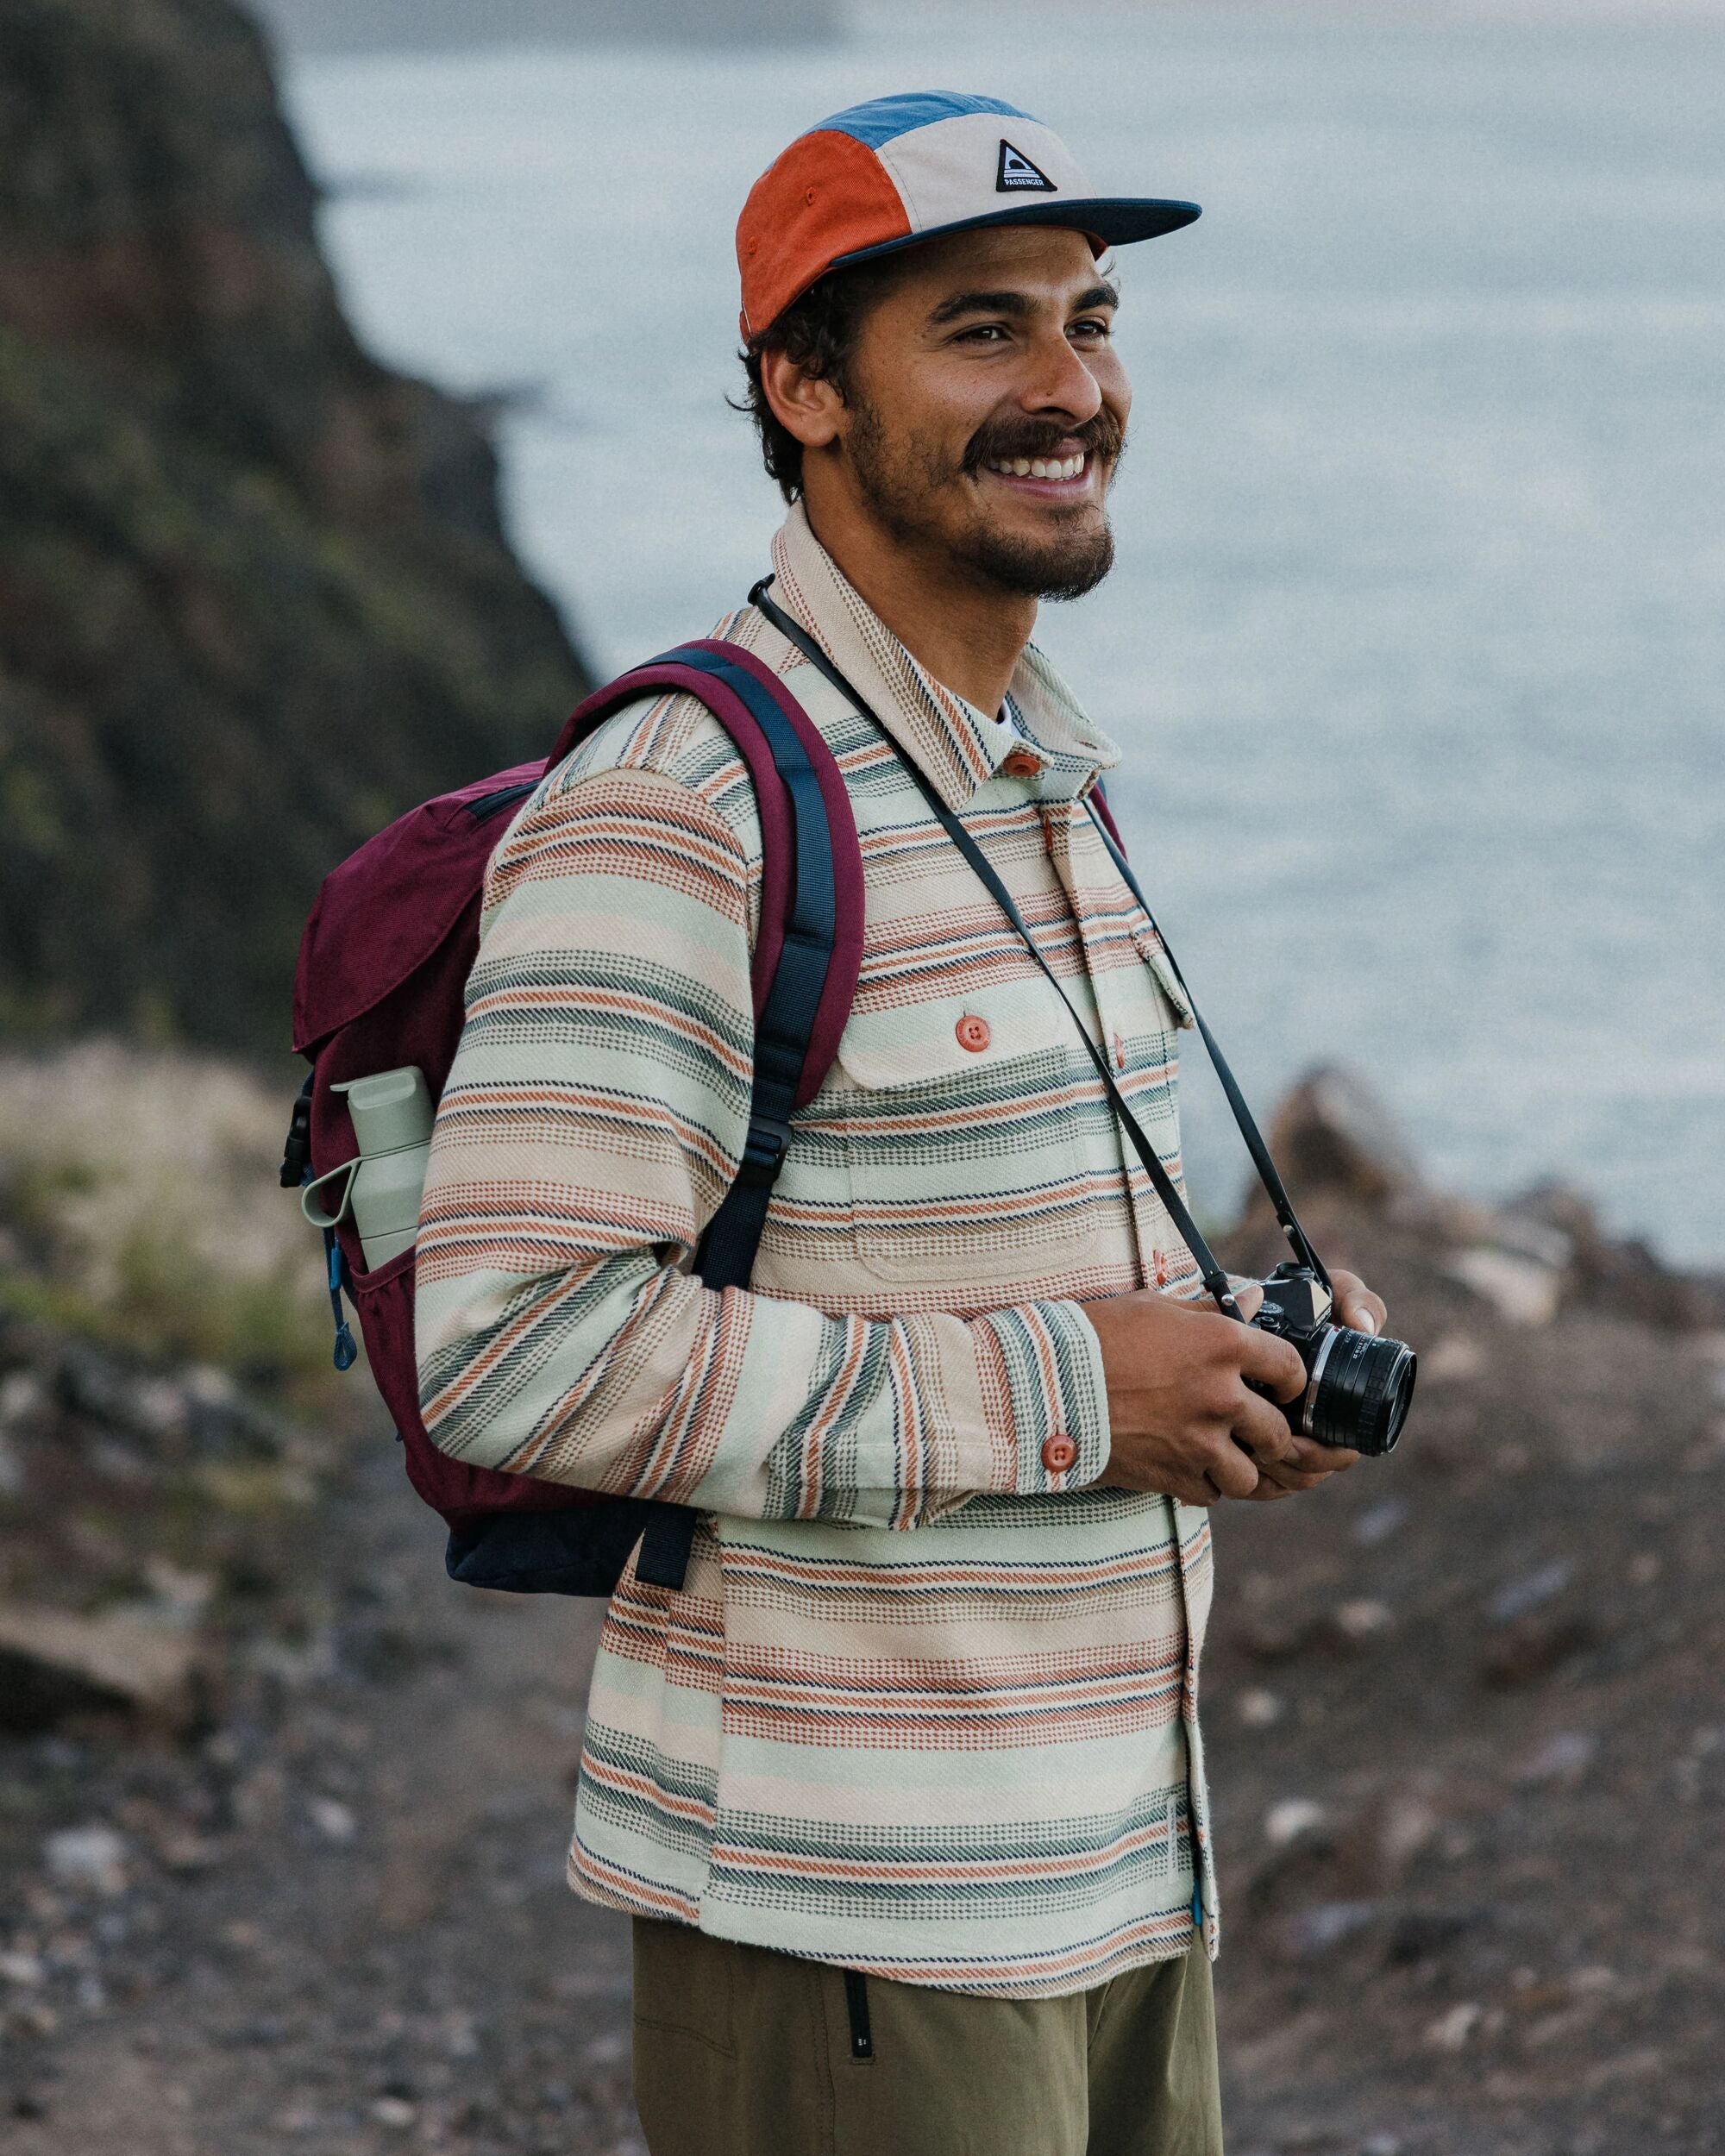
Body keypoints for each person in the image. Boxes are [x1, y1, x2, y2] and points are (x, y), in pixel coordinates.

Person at [415, 91, 1388, 2156]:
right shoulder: (678, 805)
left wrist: (1215, 1352)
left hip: (1121, 1871)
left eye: (1092, 318)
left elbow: (968, 1253)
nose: (1072, 389)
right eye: (983, 330)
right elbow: (511, 1345)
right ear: (802, 388)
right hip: (859, 1914)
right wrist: (1069, 1392)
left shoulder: (1036, 776)